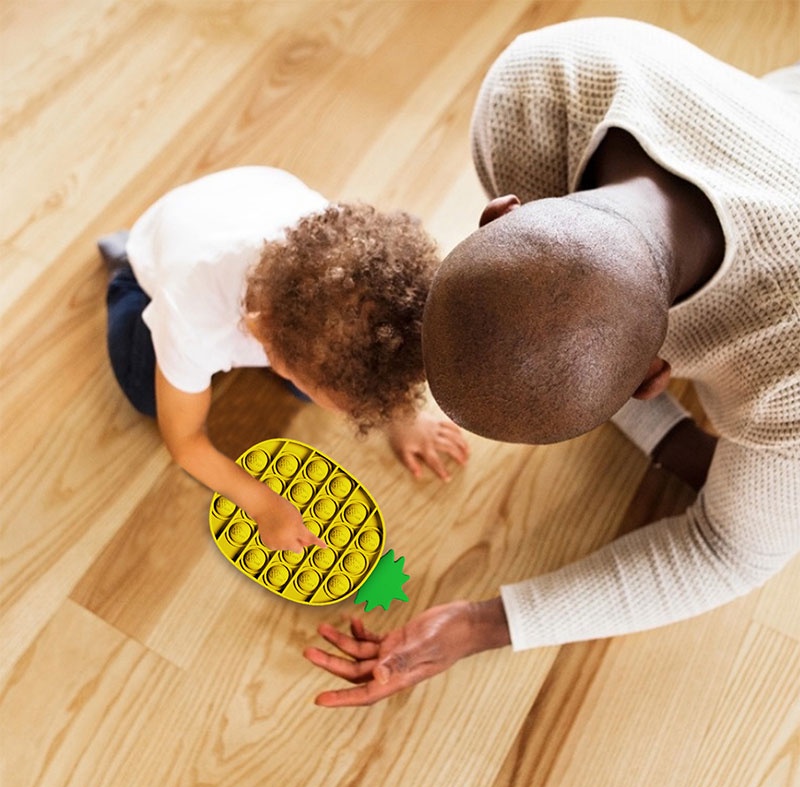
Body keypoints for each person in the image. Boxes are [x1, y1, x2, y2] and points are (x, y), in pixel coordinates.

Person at [304, 18, 799, 706]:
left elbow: (731, 552)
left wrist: (486, 624)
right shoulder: (539, 88)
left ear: (654, 377)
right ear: (501, 211)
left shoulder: (791, 375)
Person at [100, 166, 469, 553]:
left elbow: (372, 344)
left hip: (240, 203)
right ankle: (123, 268)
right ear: (261, 333)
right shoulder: (194, 315)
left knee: (330, 379)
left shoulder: (337, 260)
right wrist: (262, 504)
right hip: (160, 259)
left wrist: (400, 416)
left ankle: (318, 382)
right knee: (145, 392)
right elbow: (185, 442)